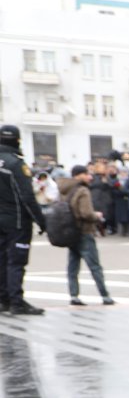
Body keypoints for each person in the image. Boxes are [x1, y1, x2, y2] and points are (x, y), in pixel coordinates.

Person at [0, 124, 48, 316]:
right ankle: (16, 302)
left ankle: (3, 299)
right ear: (17, 140)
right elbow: (26, 196)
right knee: (16, 261)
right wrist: (41, 220)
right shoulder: (16, 164)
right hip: (17, 220)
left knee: (1, 259)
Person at [56, 166, 114, 306]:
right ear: (79, 175)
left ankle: (74, 295)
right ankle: (105, 295)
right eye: (87, 174)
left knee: (73, 266)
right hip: (84, 231)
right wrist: (97, 215)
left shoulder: (63, 189)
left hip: (69, 231)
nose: (90, 177)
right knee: (94, 266)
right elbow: (86, 213)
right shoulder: (82, 190)